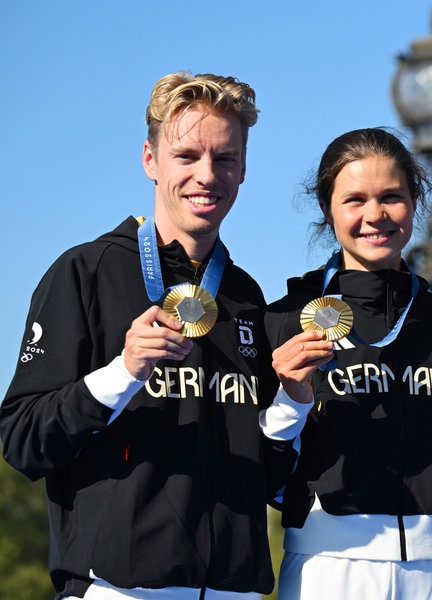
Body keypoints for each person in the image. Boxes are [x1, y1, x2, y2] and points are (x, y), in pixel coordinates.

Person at [0, 72, 277, 598]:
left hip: (233, 589)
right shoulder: (84, 273)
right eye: (187, 156)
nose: (207, 175)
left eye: (225, 158)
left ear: (243, 169)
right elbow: (22, 441)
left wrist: (299, 400)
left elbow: (270, 462)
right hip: (119, 588)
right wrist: (121, 373)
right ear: (150, 159)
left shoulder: (246, 296)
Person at [258, 128, 432, 600]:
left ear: (416, 200)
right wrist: (290, 401)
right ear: (327, 209)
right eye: (355, 199)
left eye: (391, 196)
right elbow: (260, 475)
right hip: (329, 570)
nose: (375, 215)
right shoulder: (287, 319)